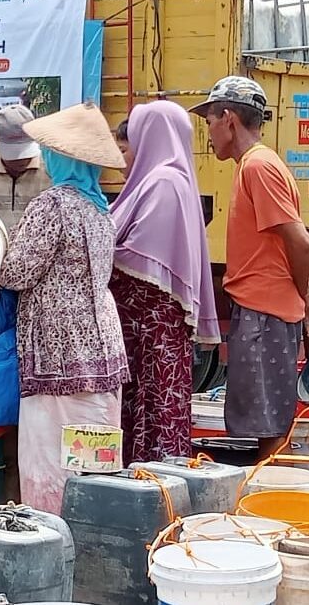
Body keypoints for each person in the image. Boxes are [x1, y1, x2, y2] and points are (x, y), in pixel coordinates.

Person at [0, 102, 130, 515]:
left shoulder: (53, 205)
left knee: (50, 459)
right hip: (102, 348)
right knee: (92, 458)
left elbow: (16, 273)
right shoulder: (99, 208)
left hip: (57, 351)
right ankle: (94, 531)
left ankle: (53, 535)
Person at [190, 76, 309, 462]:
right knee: (263, 426)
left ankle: (273, 507)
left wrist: (299, 297)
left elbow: (302, 245)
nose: (208, 133)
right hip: (267, 311)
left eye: (209, 121)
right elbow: (301, 246)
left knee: (267, 432)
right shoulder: (257, 165)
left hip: (266, 314)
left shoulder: (258, 168)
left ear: (228, 119)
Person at [109, 101, 221, 463]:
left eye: (129, 145)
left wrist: (97, 250)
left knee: (153, 414)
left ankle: (151, 493)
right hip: (152, 336)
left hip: (150, 336)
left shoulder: (163, 183)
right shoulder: (165, 180)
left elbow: (143, 260)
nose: (122, 157)